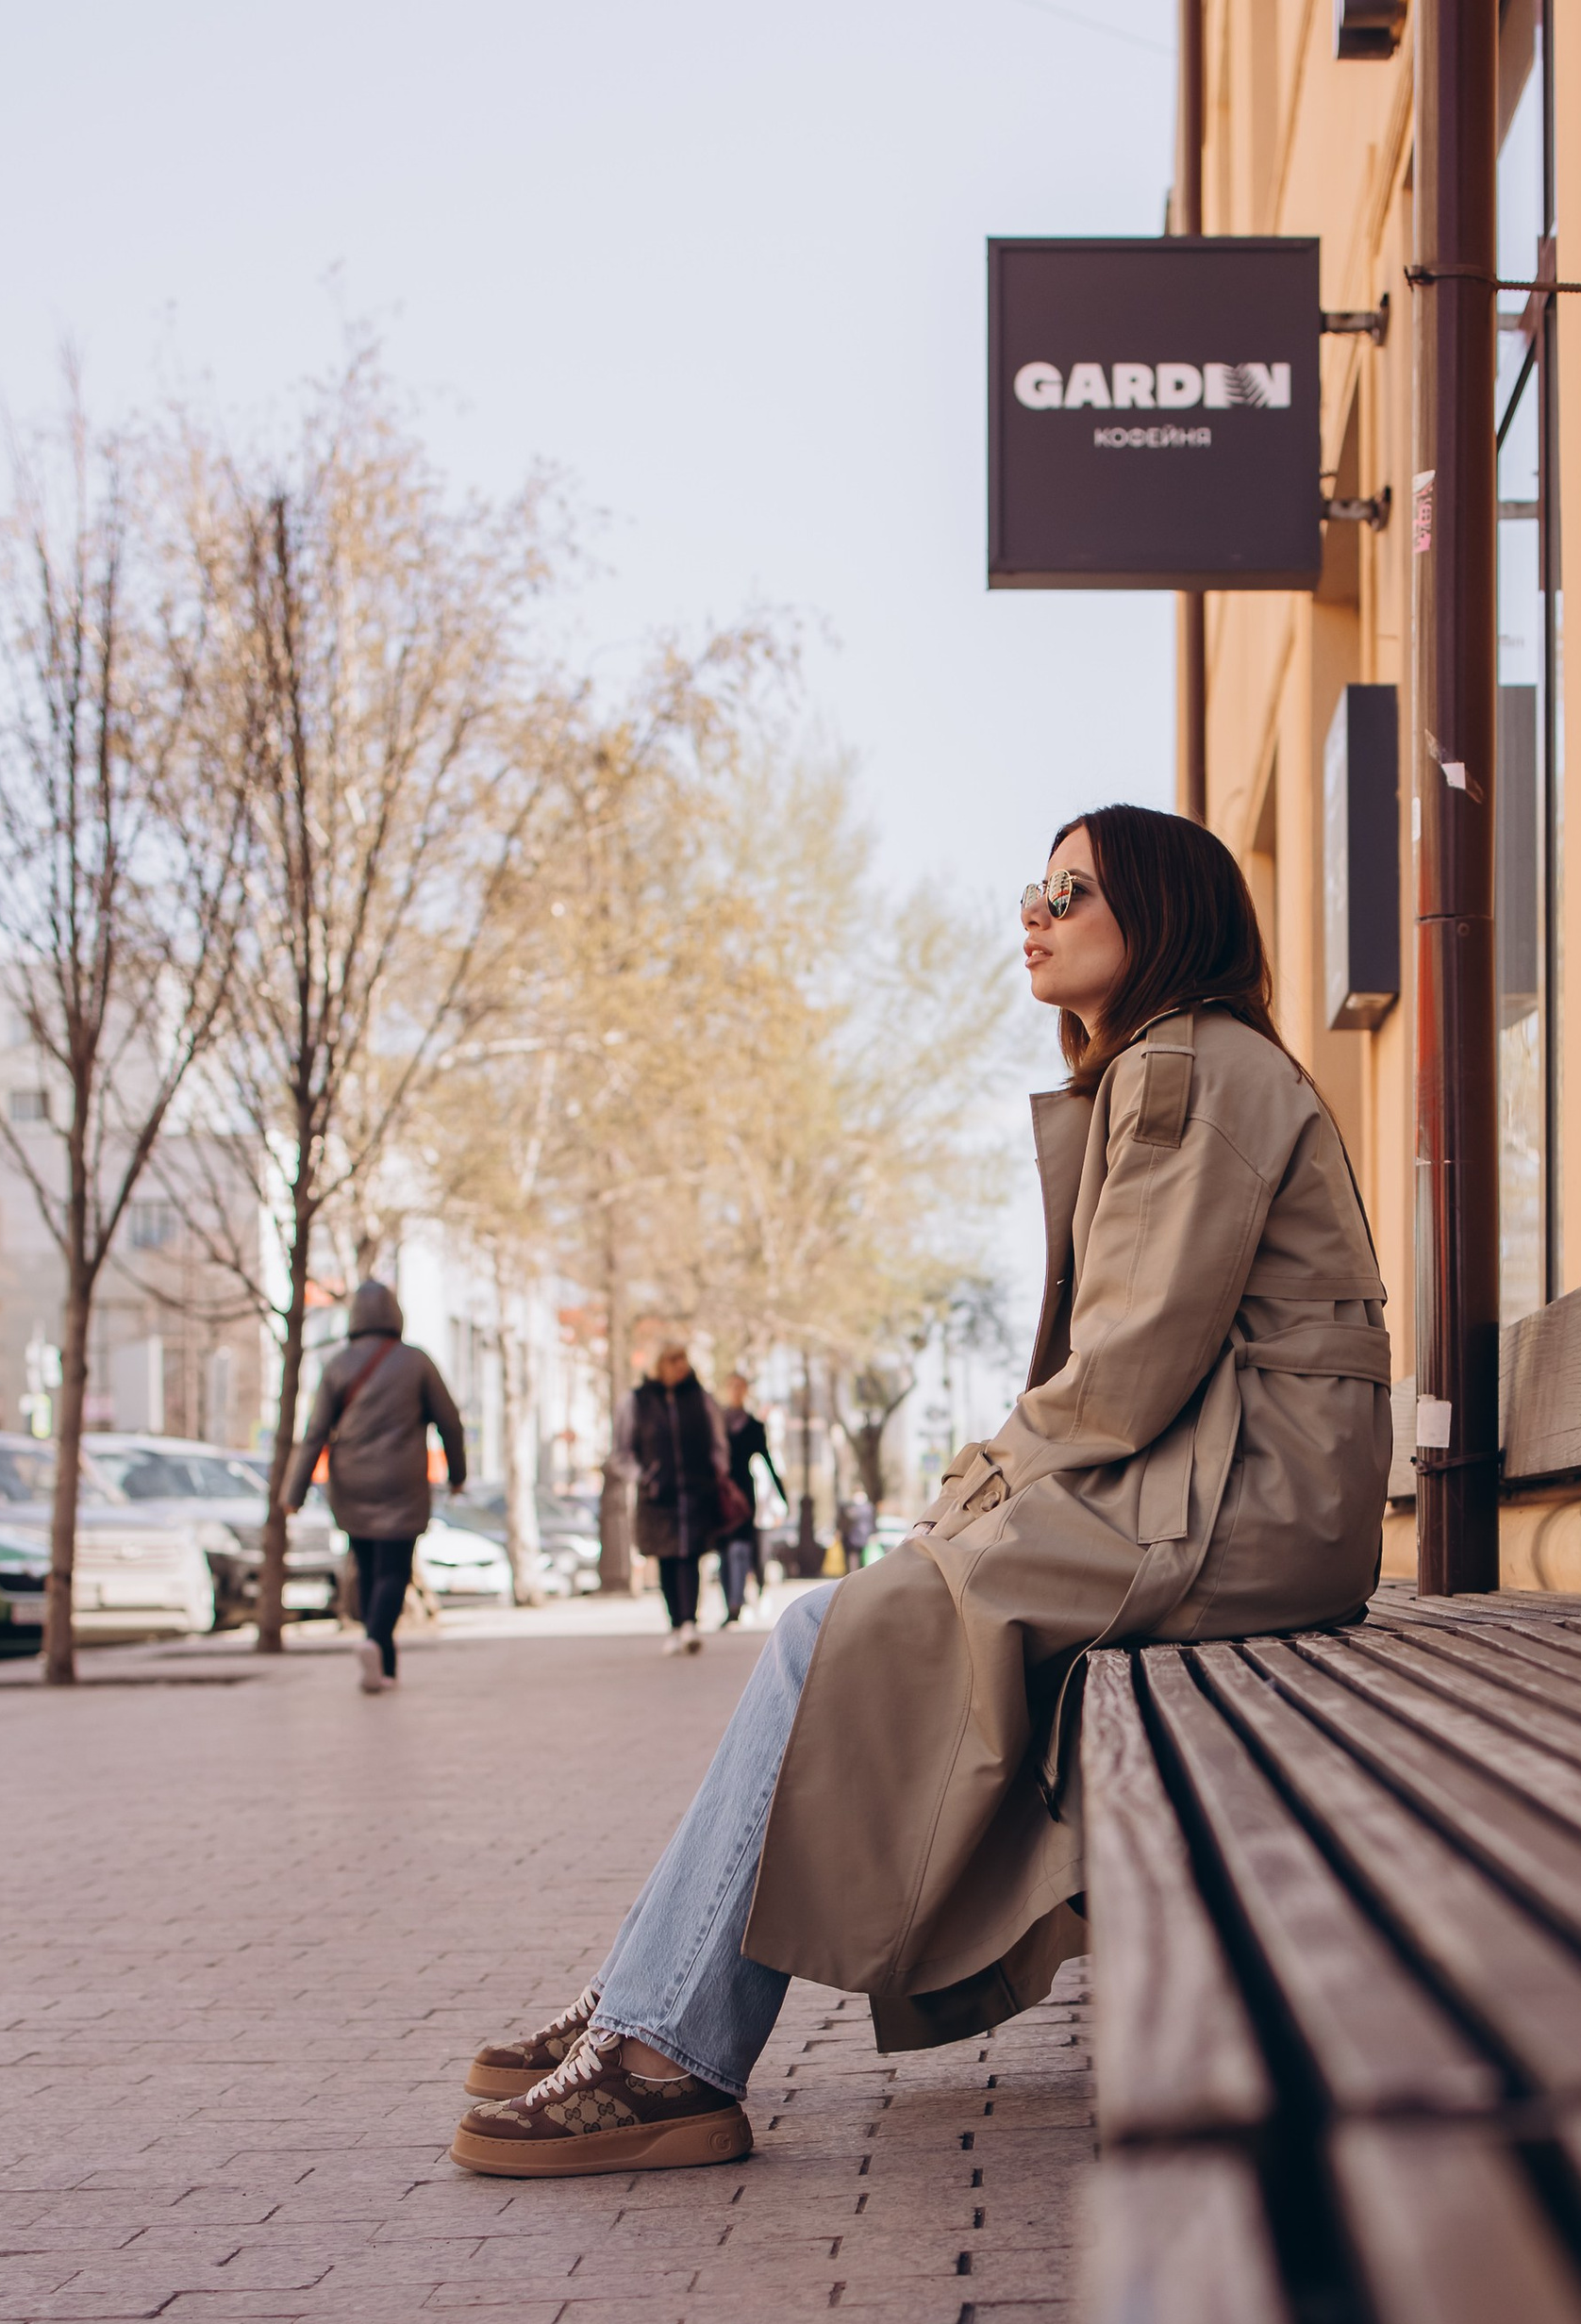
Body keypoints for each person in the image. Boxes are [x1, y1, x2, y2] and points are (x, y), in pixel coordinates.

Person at [452, 805, 1390, 2174]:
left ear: (1163, 919)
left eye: (1073, 890)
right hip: (1225, 1486)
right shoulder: (1169, 1066)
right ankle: (654, 2002)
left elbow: (1126, 1371)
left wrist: (967, 1495)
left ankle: (671, 2043)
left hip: (1242, 1505)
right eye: (1037, 886)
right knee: (836, 1622)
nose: (1038, 911)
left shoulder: (1188, 1063)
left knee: (839, 1627)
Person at [287, 1281, 467, 1696]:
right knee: (394, 1569)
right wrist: (457, 1474)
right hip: (401, 1480)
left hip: (350, 1480)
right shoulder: (416, 1362)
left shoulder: (338, 1364)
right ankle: (375, 1643)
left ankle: (382, 1665)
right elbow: (450, 1422)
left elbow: (315, 1433)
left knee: (367, 1566)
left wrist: (293, 1494)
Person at [624, 1340, 744, 1654]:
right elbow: (623, 1450)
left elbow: (718, 1443)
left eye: (683, 1361)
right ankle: (675, 1625)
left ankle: (690, 1622)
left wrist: (717, 1473)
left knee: (691, 1556)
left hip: (695, 1490)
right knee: (666, 1559)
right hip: (658, 1494)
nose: (680, 1367)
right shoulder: (639, 1401)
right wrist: (644, 1477)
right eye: (673, 1361)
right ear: (660, 1364)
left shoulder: (700, 1399)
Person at [714, 1372, 785, 1624]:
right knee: (724, 1551)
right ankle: (729, 1603)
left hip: (744, 1495)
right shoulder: (716, 1425)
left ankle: (736, 1604)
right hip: (718, 1495)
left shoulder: (754, 1426)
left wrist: (782, 1495)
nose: (735, 1391)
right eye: (731, 1386)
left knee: (740, 1549)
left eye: (739, 1387)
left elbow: (767, 1460)